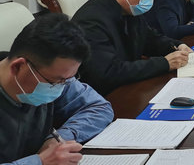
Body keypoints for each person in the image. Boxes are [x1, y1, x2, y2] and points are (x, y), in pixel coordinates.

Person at [0, 14, 113, 165]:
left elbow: (99, 107)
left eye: (68, 79)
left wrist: (59, 138)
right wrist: (40, 161)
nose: (61, 87)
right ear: (18, 67)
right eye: (56, 81)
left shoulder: (52, 73)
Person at [71, 0, 192, 95]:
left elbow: (149, 39)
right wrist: (165, 63)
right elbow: (107, 72)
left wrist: (177, 46)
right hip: (105, 95)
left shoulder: (129, 8)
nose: (151, 0)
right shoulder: (91, 21)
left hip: (129, 85)